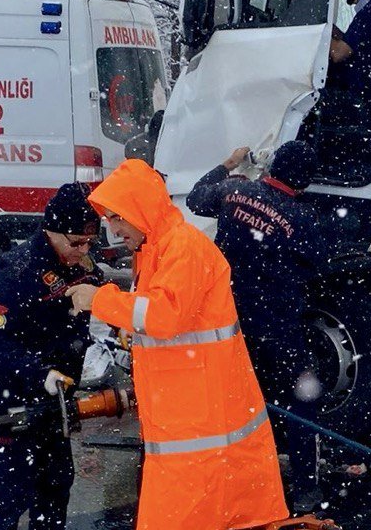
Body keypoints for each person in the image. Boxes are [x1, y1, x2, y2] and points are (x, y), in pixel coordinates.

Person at [65, 160, 288, 530]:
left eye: (117, 218)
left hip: (198, 424)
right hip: (188, 418)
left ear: (140, 209)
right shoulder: (159, 247)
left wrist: (99, 300)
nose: (113, 228)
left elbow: (164, 316)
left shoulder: (182, 248)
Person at [186, 141, 328, 512]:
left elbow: (196, 199)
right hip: (279, 326)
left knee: (234, 404)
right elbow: (317, 264)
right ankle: (306, 489)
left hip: (230, 323)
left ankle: (231, 484)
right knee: (302, 403)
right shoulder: (302, 217)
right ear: (305, 182)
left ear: (272, 166)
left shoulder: (236, 189)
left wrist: (227, 164)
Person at [0, 183, 104, 530]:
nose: (83, 249)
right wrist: (40, 372)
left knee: (57, 482)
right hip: (9, 398)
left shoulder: (81, 265)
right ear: (51, 230)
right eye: (76, 242)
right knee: (14, 490)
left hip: (53, 399)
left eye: (90, 242)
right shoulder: (15, 271)